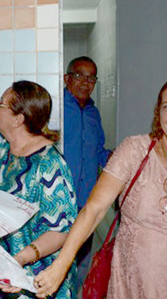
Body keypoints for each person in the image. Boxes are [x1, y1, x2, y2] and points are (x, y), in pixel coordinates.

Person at [34, 74, 167, 298]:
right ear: (159, 116)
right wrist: (61, 265)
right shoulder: (135, 150)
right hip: (132, 287)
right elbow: (93, 210)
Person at [0, 81, 78, 299]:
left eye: (1, 104)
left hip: (39, 281)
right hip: (7, 275)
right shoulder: (2, 153)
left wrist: (20, 259)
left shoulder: (49, 164)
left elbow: (62, 231)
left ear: (19, 119)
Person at [63, 56, 111, 286]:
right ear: (67, 79)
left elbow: (99, 151)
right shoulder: (56, 108)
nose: (85, 82)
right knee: (58, 256)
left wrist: (119, 157)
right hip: (60, 202)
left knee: (82, 260)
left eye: (91, 77)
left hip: (87, 203)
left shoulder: (94, 114)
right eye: (79, 75)